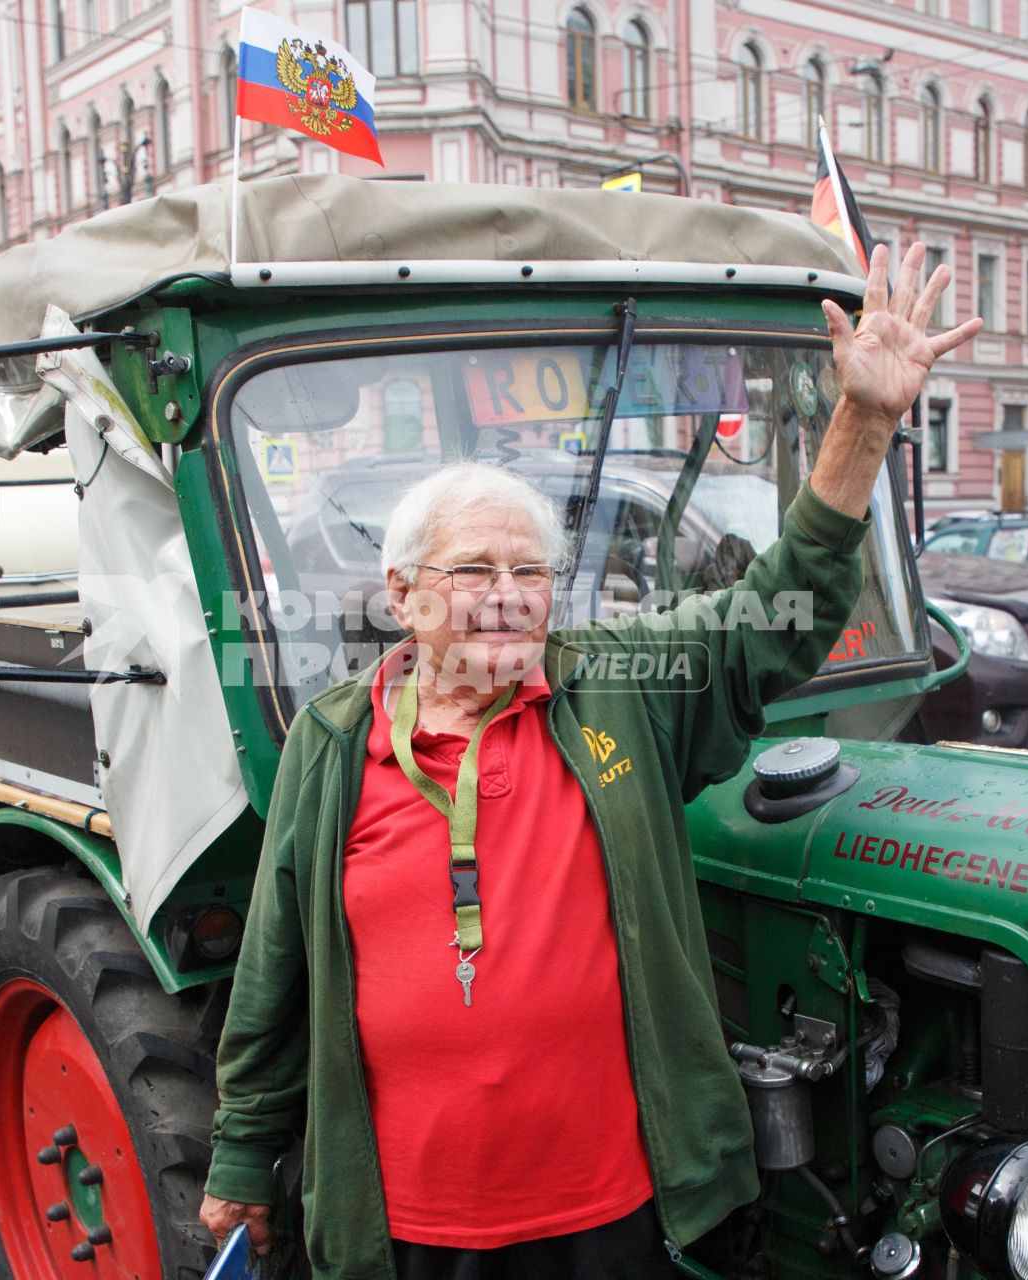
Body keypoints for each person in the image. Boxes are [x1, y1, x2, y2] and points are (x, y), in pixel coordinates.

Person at [200, 244, 981, 1279]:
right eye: (473, 568)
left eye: (531, 570)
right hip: (411, 1228)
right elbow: (274, 969)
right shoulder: (335, 740)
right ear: (403, 594)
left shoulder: (624, 683)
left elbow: (771, 616)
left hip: (615, 1218)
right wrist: (243, 1151)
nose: (507, 592)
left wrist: (864, 420)